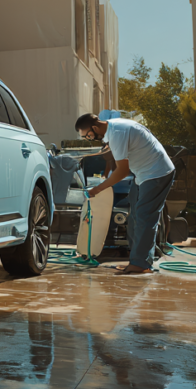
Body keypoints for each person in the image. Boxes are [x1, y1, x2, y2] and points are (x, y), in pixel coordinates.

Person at [74, 113, 175, 275]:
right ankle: (137, 261)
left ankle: (141, 264)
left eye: (88, 135)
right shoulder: (112, 127)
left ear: (94, 127)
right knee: (134, 216)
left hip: (157, 173)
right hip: (142, 174)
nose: (89, 138)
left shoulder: (117, 134)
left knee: (144, 216)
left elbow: (122, 171)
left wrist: (98, 189)